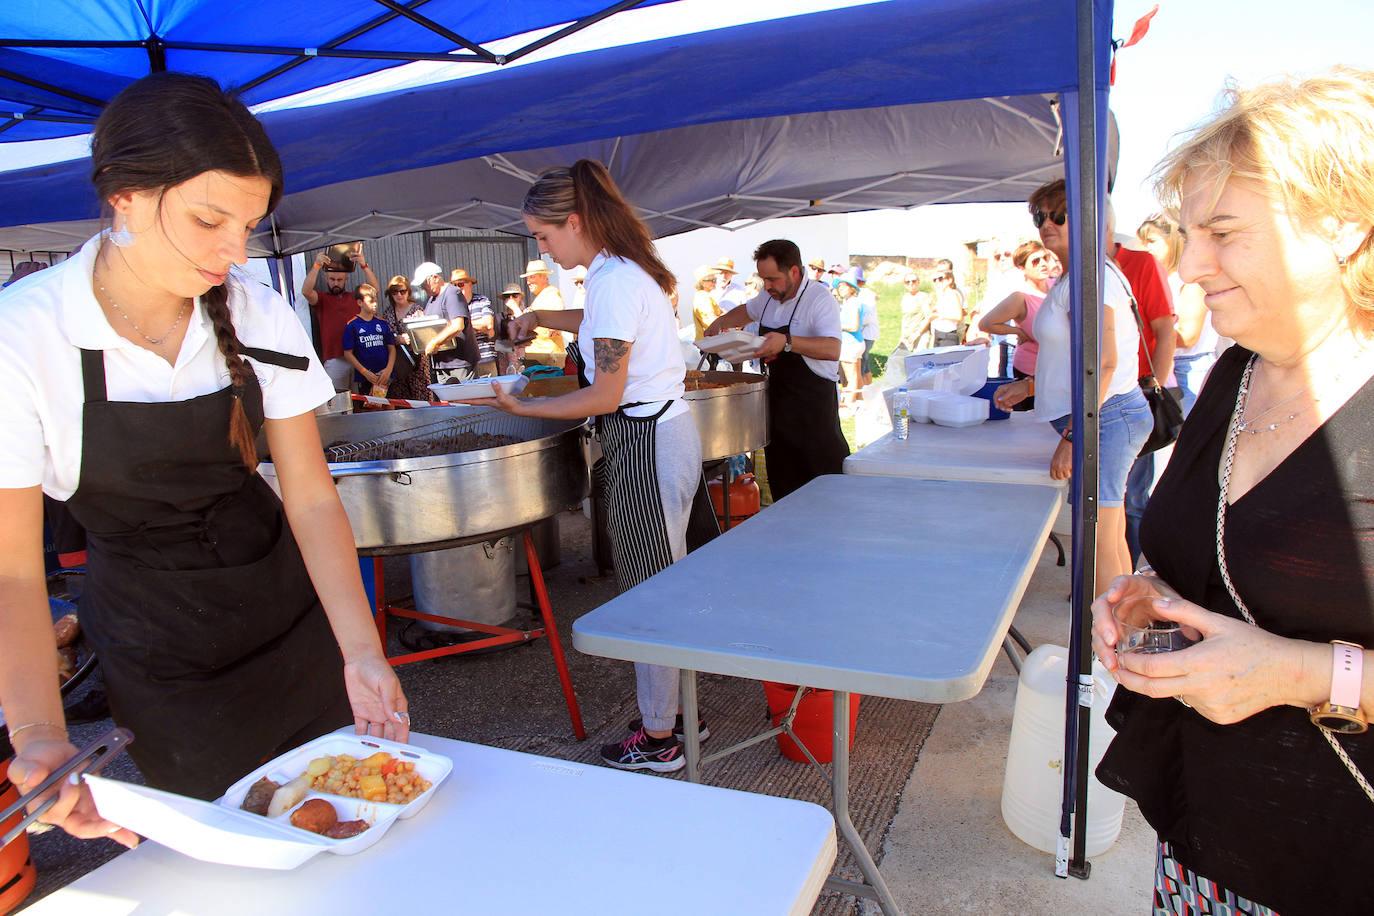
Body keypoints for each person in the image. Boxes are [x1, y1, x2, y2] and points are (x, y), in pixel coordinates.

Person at [0, 74, 409, 834]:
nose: (233, 251)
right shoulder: (23, 338)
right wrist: (41, 737)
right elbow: (15, 571)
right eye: (207, 220)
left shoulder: (255, 309)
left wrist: (360, 652)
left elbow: (313, 497)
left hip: (286, 614)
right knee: (230, 843)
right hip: (161, 647)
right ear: (124, 194)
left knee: (346, 812)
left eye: (247, 225)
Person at [1090, 68, 1374, 916]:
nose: (1190, 265)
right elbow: (1205, 549)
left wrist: (1301, 673)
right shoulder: (1234, 376)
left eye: (1222, 232)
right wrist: (1151, 590)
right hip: (1208, 845)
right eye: (1186, 232)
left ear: (1346, 230)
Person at [459, 160, 702, 773]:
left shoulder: (614, 280)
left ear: (574, 220)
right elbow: (602, 331)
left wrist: (523, 405)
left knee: (650, 592)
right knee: (664, 581)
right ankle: (674, 713)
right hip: (658, 432)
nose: (540, 247)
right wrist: (542, 317)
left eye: (543, 235)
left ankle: (659, 739)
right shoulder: (619, 271)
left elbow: (603, 395)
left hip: (644, 442)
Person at [993, 179, 1151, 595]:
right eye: (1041, 216)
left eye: (1060, 215)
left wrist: (1073, 435)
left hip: (1107, 416)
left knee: (1098, 535)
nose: (1048, 223)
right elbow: (1071, 358)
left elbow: (1104, 362)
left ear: (1089, 219)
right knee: (1107, 534)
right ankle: (1119, 632)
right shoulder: (1071, 278)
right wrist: (1030, 387)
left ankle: (1106, 644)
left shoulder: (1091, 277)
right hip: (1102, 415)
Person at [706, 240, 848, 499]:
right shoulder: (768, 298)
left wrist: (788, 342)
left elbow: (832, 349)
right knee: (784, 492)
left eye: (773, 278)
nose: (767, 285)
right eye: (763, 279)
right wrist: (719, 324)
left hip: (814, 421)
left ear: (794, 271)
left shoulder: (819, 298)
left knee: (825, 497)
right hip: (778, 418)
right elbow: (746, 311)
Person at [1110, 203, 1178, 567]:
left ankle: (1132, 572)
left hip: (1135, 392)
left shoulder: (1141, 264)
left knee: (1132, 497)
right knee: (1104, 499)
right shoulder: (1073, 272)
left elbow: (1166, 331)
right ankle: (1101, 573)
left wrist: (1155, 386)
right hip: (1097, 396)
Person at [1138, 213, 1217, 415]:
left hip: (1189, 368)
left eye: (1152, 241)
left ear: (1172, 242)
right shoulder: (1164, 279)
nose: (1147, 248)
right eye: (1143, 242)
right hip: (1169, 365)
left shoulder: (1188, 282)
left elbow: (1188, 336)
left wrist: (1148, 332)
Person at [978, 240, 1055, 408]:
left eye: (1045, 258)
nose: (1043, 264)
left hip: (1057, 368)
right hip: (1030, 369)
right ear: (1022, 267)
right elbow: (986, 323)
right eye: (1035, 261)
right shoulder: (1020, 297)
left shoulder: (1057, 285)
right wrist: (1017, 332)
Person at [301, 243, 380, 392]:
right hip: (334, 359)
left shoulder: (355, 297)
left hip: (359, 358)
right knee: (337, 402)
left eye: (339, 280)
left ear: (346, 280)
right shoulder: (322, 299)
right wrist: (317, 265)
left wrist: (364, 265)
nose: (335, 283)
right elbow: (306, 291)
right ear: (326, 280)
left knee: (361, 400)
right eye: (332, 279)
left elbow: (374, 290)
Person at [417, 261, 479, 384]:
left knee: (463, 401)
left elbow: (457, 325)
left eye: (424, 284)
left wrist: (435, 342)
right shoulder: (431, 299)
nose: (423, 288)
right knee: (446, 402)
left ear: (434, 278)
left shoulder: (452, 293)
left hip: (459, 363)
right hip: (441, 363)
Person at [379, 274, 429, 401]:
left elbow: (426, 336)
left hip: (417, 364)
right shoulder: (388, 313)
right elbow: (383, 339)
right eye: (395, 292)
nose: (399, 295)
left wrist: (413, 337)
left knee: (421, 399)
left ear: (408, 292)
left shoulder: (417, 310)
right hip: (397, 364)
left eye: (403, 291)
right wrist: (398, 339)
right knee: (400, 401)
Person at [341, 284, 396, 395]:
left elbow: (392, 348)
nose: (375, 304)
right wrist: (364, 372)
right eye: (371, 301)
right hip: (366, 378)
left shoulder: (382, 323)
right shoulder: (352, 325)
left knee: (390, 407)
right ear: (360, 302)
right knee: (369, 408)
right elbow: (347, 354)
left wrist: (388, 370)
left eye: (376, 300)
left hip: (385, 377)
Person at [450, 268, 498, 378]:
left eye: (461, 284)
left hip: (484, 357)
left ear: (470, 284)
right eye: (454, 285)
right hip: (461, 362)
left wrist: (462, 324)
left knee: (489, 392)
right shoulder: (450, 306)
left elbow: (488, 324)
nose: (457, 288)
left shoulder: (481, 300)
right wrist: (478, 327)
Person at [520, 259, 566, 367]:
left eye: (532, 277)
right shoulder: (542, 297)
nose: (528, 282)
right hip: (540, 359)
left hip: (548, 361)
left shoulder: (551, 294)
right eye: (527, 278)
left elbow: (556, 325)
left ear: (544, 277)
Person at [834, 272, 866, 407]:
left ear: (851, 288)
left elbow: (854, 326)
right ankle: (860, 400)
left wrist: (837, 326)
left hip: (850, 343)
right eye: (839, 286)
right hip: (855, 342)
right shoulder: (851, 302)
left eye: (843, 286)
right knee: (856, 374)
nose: (840, 289)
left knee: (850, 376)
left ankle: (849, 404)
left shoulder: (852, 303)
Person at [854, 266, 880, 386]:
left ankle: (864, 391)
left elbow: (867, 317)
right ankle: (868, 390)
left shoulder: (867, 294)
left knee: (861, 365)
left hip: (867, 334)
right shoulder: (856, 294)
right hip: (860, 333)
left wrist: (853, 324)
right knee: (864, 363)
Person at [899, 270, 933, 351]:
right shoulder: (905, 297)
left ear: (918, 282)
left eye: (914, 281)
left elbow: (928, 318)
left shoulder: (924, 297)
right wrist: (903, 335)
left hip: (920, 336)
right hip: (907, 336)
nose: (911, 283)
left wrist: (917, 334)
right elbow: (905, 318)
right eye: (908, 282)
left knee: (918, 361)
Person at [928, 270, 964, 346]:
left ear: (949, 280)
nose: (937, 282)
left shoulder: (953, 294)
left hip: (948, 335)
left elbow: (958, 316)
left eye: (940, 279)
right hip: (938, 332)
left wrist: (939, 315)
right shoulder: (942, 295)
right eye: (935, 280)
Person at [690, 265, 720, 338]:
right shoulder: (702, 297)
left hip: (708, 341)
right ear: (702, 282)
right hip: (710, 342)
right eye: (711, 280)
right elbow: (710, 321)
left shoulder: (703, 296)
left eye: (715, 279)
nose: (714, 282)